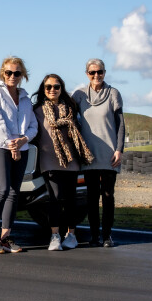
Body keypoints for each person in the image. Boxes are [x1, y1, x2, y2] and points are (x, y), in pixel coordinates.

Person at [0, 56, 38, 254]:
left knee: (14, 192)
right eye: (8, 72)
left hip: (21, 147)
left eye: (17, 73)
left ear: (22, 75)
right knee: (3, 188)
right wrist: (10, 144)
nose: (12, 76)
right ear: (2, 73)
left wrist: (23, 140)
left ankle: (6, 237)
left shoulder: (25, 98)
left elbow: (33, 125)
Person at [32, 74, 93, 251]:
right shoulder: (37, 110)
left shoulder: (70, 108)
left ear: (61, 89)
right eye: (48, 87)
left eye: (56, 87)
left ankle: (71, 235)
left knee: (71, 199)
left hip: (71, 161)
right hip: (48, 160)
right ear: (43, 89)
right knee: (55, 198)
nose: (52, 90)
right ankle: (55, 236)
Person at [72, 58, 125, 248]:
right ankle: (94, 236)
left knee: (108, 196)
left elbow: (120, 124)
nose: (96, 75)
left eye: (100, 72)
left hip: (110, 154)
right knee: (92, 198)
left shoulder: (113, 93)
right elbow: (69, 118)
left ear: (104, 72)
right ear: (87, 74)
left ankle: (107, 236)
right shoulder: (79, 95)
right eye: (92, 72)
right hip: (89, 155)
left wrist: (119, 149)